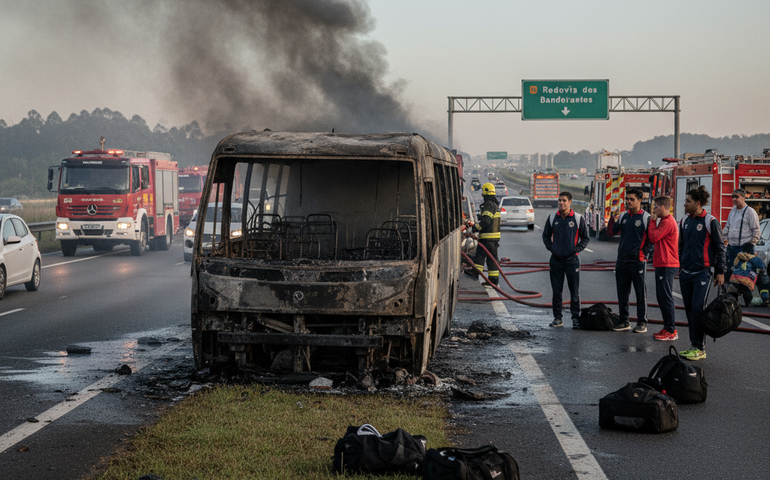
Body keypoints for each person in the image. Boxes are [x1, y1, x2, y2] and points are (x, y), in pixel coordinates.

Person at [678, 186, 726, 361]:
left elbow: (720, 248)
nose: (685, 204)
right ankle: (693, 345)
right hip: (686, 272)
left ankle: (700, 347)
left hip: (703, 273)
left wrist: (720, 272)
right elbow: (681, 245)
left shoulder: (710, 221)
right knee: (690, 311)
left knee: (698, 309)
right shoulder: (684, 221)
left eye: (688, 201)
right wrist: (680, 265)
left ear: (698, 203)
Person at [606, 188, 654, 333]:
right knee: (622, 293)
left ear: (640, 200)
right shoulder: (623, 216)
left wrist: (644, 254)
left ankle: (642, 322)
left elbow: (651, 240)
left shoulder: (646, 218)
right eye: (627, 199)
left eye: (631, 199)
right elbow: (611, 232)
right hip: (622, 260)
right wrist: (612, 218)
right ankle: (624, 321)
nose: (628, 202)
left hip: (637, 261)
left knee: (640, 293)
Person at [542, 191, 590, 328]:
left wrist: (576, 250)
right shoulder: (552, 218)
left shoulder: (577, 218)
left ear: (570, 202)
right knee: (556, 291)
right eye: (559, 200)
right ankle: (558, 318)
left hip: (572, 260)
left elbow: (585, 238)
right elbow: (545, 236)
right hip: (556, 260)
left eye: (564, 200)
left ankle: (575, 318)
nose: (561, 203)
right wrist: (551, 248)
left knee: (574, 291)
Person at [647, 196, 680, 341]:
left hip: (667, 264)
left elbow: (653, 237)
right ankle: (668, 327)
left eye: (655, 206)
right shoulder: (665, 221)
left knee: (665, 297)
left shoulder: (667, 222)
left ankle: (671, 330)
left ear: (662, 207)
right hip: (662, 263)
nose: (653, 209)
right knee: (661, 296)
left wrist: (652, 221)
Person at [467, 182, 501, 286]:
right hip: (493, 238)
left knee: (480, 256)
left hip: (487, 237)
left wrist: (476, 227)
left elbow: (486, 221)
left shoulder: (489, 204)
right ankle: (493, 279)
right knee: (491, 259)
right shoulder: (494, 204)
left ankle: (475, 273)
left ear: (485, 192)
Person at [722, 188, 760, 280]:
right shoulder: (732, 211)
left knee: (743, 276)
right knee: (730, 272)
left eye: (736, 197)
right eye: (733, 197)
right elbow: (727, 227)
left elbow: (756, 230)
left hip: (744, 250)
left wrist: (752, 244)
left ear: (743, 198)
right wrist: (721, 237)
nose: (734, 199)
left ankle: (744, 293)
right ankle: (729, 292)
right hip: (732, 248)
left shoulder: (750, 212)